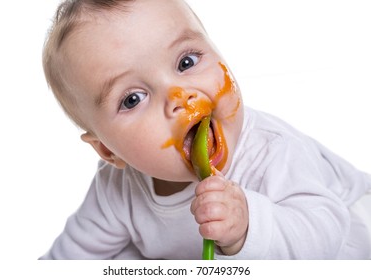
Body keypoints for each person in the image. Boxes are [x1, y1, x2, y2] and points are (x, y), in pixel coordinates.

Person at [40, 0, 371, 259]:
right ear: (108, 151)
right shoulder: (117, 191)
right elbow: (71, 258)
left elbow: (325, 236)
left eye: (186, 62)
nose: (178, 98)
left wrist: (247, 229)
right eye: (132, 99)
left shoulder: (272, 151)